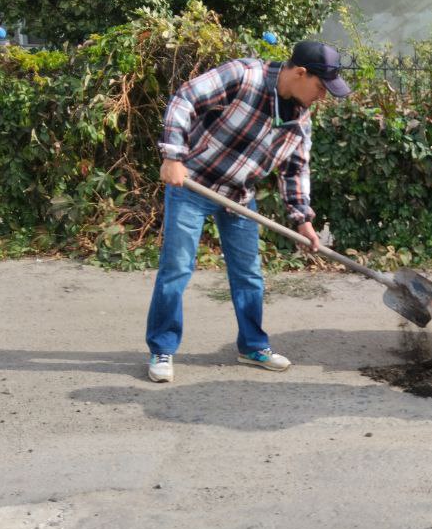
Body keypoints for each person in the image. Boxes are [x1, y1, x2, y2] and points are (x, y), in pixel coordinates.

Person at [144, 41, 351, 383]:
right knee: (176, 269)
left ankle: (252, 345)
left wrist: (303, 220)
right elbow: (185, 98)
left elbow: (296, 169)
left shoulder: (300, 119)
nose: (322, 97)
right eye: (320, 87)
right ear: (300, 73)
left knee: (249, 275)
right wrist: (173, 155)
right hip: (192, 185)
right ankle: (162, 348)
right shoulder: (243, 76)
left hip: (239, 196)